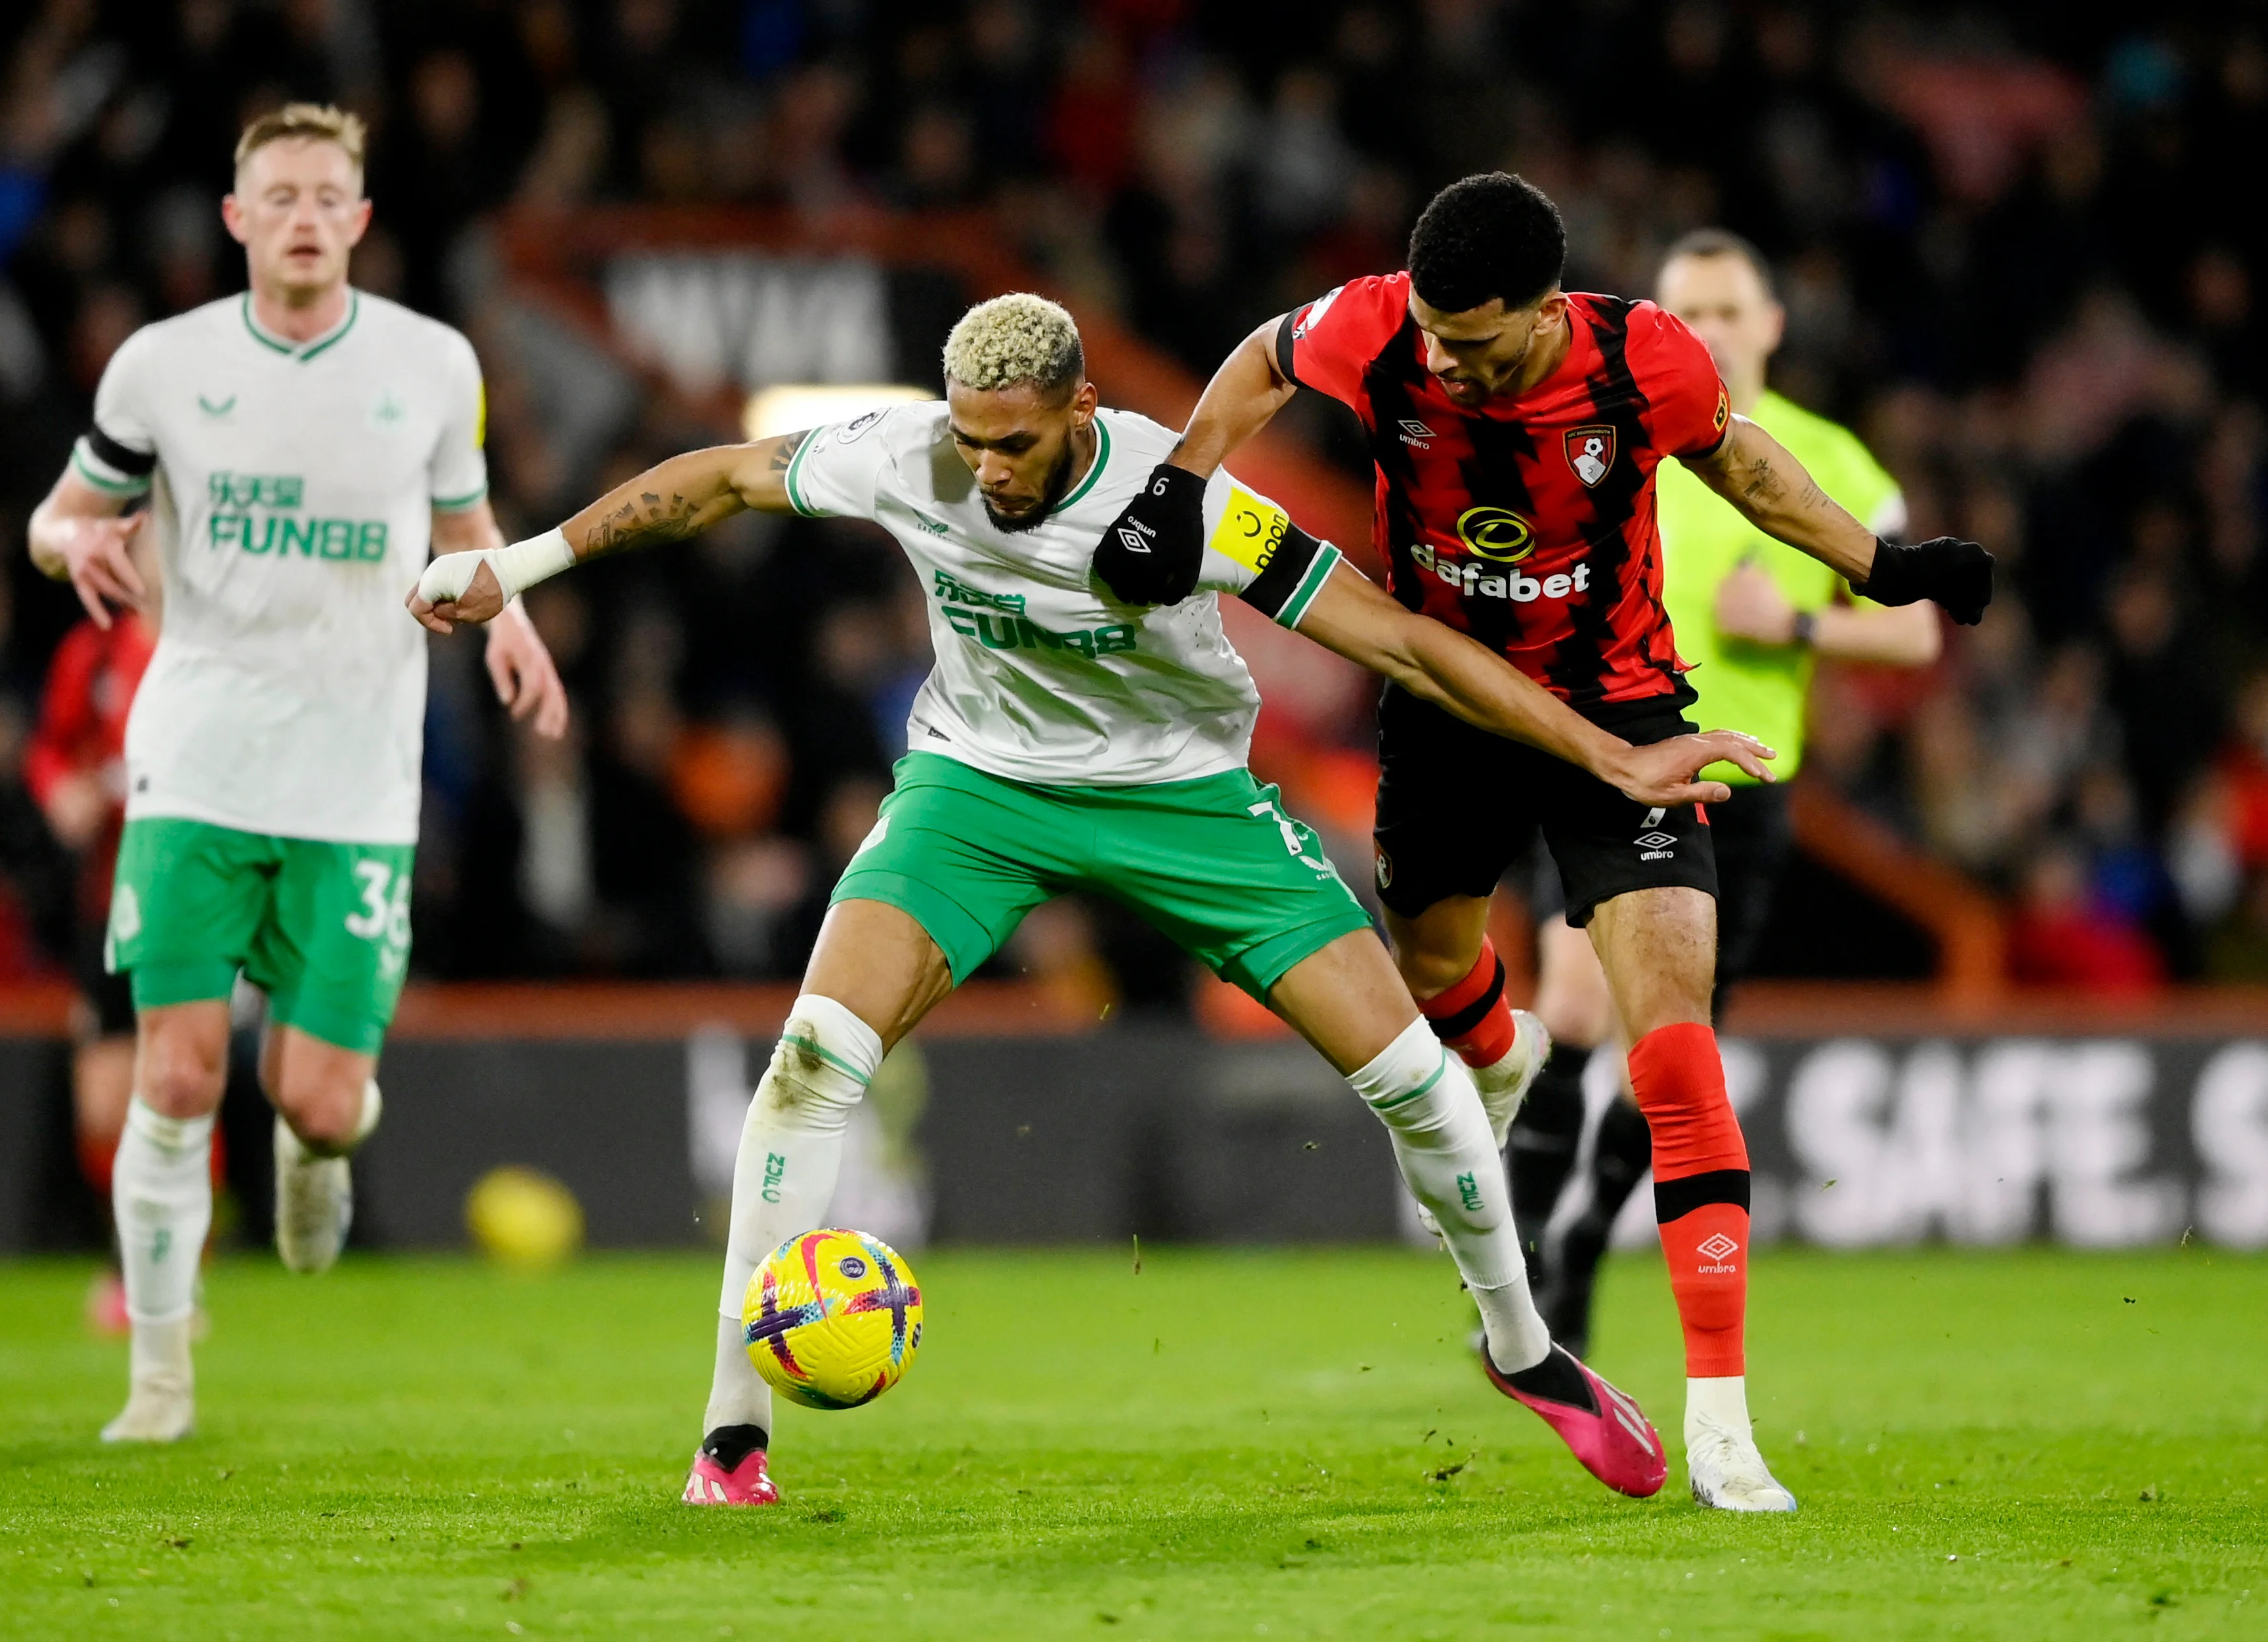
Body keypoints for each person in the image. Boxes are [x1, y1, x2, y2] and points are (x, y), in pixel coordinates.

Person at [412, 292, 1778, 1509]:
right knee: (809, 1061)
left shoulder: (1184, 503)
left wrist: (1606, 753)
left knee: (1420, 1084)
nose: (987, 469)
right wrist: (515, 565)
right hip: (978, 789)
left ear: (1082, 408)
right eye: (970, 440)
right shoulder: (907, 453)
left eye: (1013, 442)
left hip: (1185, 801)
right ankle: (730, 1435)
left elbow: (1404, 641)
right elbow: (715, 478)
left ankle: (1525, 1349)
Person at [1099, 173, 1992, 1511]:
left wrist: (1882, 567)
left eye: (1472, 343)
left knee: (1674, 1048)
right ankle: (1500, 1056)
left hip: (1623, 710)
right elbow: (1264, 359)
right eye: (1433, 337)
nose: (1445, 363)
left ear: (1543, 309)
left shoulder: (1642, 360)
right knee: (1428, 964)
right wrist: (1181, 477)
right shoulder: (1380, 325)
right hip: (1446, 707)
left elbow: (1744, 465)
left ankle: (1722, 1421)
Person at [26, 103, 569, 1443]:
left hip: (356, 778)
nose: (306, 216)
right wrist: (65, 543)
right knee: (173, 1075)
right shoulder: (162, 365)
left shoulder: (431, 363)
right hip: (194, 762)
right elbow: (60, 513)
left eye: (330, 195)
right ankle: (160, 1379)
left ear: (362, 218)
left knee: (318, 1100)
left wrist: (510, 619)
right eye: (280, 195)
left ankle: (315, 1143)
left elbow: (465, 525)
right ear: (238, 218)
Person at [1516, 229, 1942, 1360]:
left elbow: (1915, 632)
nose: (1706, 331)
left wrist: (1793, 621)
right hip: (1606, 763)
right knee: (1569, 1011)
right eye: (1686, 313)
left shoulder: (1829, 461)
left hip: (1740, 792)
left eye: (1725, 311)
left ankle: (1578, 1249)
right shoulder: (1615, 436)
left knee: (1668, 1047)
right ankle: (1517, 1272)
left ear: (1769, 324)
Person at [24, 575, 166, 1336]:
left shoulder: (210, 648)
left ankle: (151, 1270)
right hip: (110, 902)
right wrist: (62, 793)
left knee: (171, 1079)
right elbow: (51, 748)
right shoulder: (96, 653)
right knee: (103, 1108)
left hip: (190, 897)